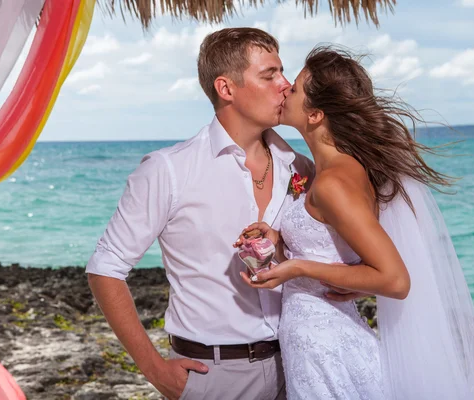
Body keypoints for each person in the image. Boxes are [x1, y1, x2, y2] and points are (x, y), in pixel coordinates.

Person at [240, 45, 474, 400]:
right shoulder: (332, 171)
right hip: (317, 344)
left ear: (315, 114)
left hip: (328, 348)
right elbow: (336, 247)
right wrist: (280, 240)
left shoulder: (334, 182)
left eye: (296, 87)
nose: (285, 88)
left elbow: (394, 279)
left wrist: (298, 268)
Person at [85, 28, 316, 400]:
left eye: (282, 72)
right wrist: (155, 370)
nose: (286, 85)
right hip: (214, 375)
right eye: (269, 74)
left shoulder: (301, 166)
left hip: (299, 364)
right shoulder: (168, 170)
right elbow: (105, 267)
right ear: (226, 89)